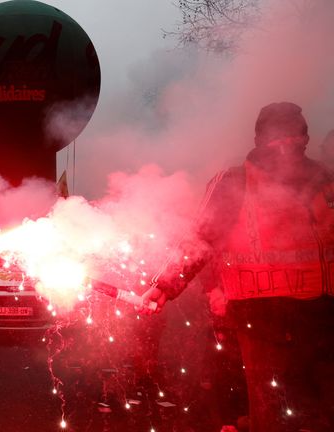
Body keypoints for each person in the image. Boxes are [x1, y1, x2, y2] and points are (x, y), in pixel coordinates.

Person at [142, 102, 334, 432]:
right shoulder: (235, 182)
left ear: (305, 137)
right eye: (279, 136)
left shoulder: (325, 180)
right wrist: (164, 286)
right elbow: (199, 238)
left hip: (323, 316)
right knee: (270, 406)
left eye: (294, 135)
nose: (287, 144)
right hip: (261, 320)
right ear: (260, 139)